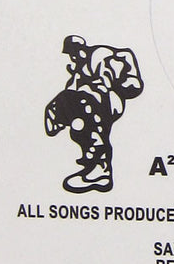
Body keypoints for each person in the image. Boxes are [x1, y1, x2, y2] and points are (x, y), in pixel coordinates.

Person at [44, 35, 143, 193]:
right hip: (89, 105)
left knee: (87, 112)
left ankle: (100, 170)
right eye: (71, 54)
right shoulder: (78, 71)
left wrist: (106, 82)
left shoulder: (102, 56)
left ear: (81, 49)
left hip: (106, 103)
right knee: (77, 126)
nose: (73, 57)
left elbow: (134, 86)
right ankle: (92, 165)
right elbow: (71, 91)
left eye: (74, 53)